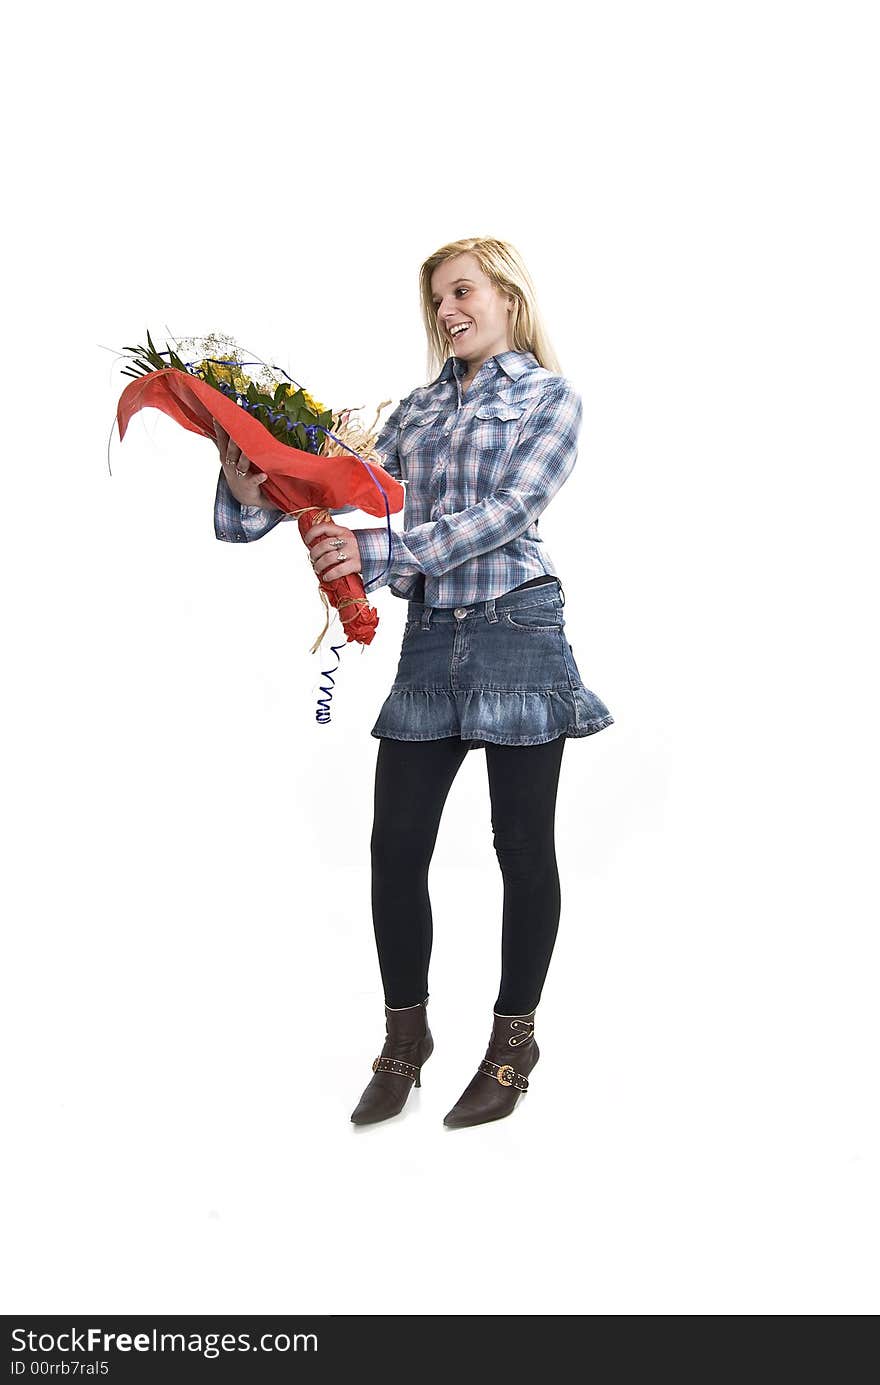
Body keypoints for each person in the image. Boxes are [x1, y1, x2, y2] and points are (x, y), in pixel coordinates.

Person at [212, 236, 614, 1129]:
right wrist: (254, 482)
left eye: (462, 291)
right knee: (395, 846)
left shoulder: (551, 399)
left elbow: (511, 511)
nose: (447, 311)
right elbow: (347, 489)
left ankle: (514, 1043)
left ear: (507, 294)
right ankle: (407, 1039)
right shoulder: (417, 413)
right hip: (431, 638)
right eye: (437, 299)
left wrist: (387, 550)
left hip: (517, 628)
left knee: (522, 847)